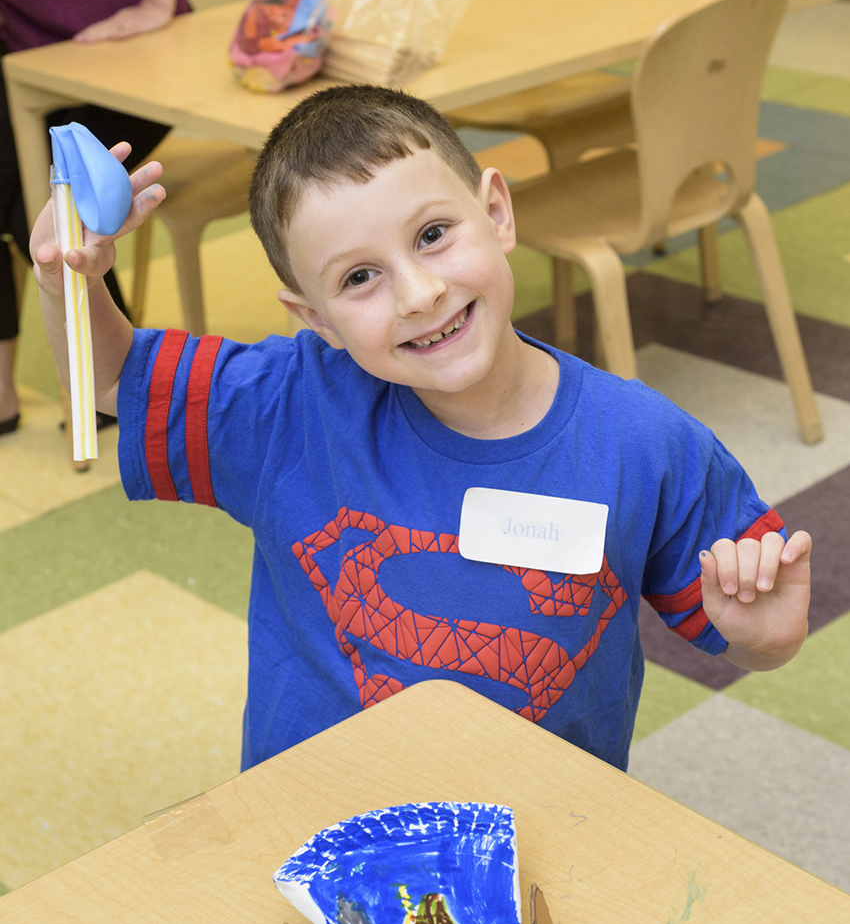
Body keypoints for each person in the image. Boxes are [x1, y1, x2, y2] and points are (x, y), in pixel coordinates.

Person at [29, 85, 812, 774]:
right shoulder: (292, 406)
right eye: (357, 278)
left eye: (433, 234)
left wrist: (764, 639)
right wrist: (71, 281)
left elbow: (744, 629)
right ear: (316, 319)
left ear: (497, 213)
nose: (418, 292)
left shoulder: (646, 444)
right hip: (318, 819)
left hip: (542, 828)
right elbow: (112, 380)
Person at [0, 0, 191, 432]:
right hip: (30, 60)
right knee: (25, 202)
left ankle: (112, 383)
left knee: (32, 208)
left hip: (134, 52)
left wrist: (158, 3)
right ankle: (104, 383)